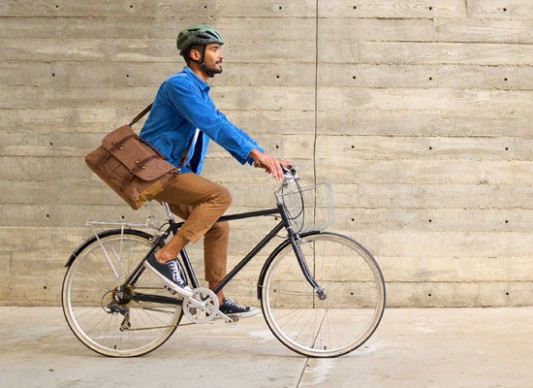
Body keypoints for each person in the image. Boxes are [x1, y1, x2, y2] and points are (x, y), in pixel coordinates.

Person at [140, 24, 288, 318]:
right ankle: (165, 256)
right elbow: (214, 126)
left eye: (220, 50)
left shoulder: (199, 91)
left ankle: (215, 299)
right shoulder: (179, 86)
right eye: (215, 50)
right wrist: (256, 154)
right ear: (196, 54)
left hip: (173, 171)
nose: (221, 56)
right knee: (220, 196)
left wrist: (261, 158)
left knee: (219, 225)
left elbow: (223, 123)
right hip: (157, 171)